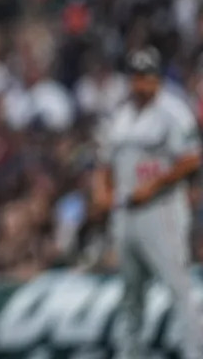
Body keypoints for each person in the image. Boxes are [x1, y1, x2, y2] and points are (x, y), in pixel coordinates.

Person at [93, 47, 203, 359]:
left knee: (179, 288)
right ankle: (131, 354)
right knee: (131, 295)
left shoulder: (173, 111)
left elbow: (192, 159)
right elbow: (103, 161)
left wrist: (154, 185)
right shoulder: (121, 115)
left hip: (162, 210)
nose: (142, 84)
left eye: (148, 78)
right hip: (125, 213)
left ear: (158, 79)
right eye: (137, 78)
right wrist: (101, 190)